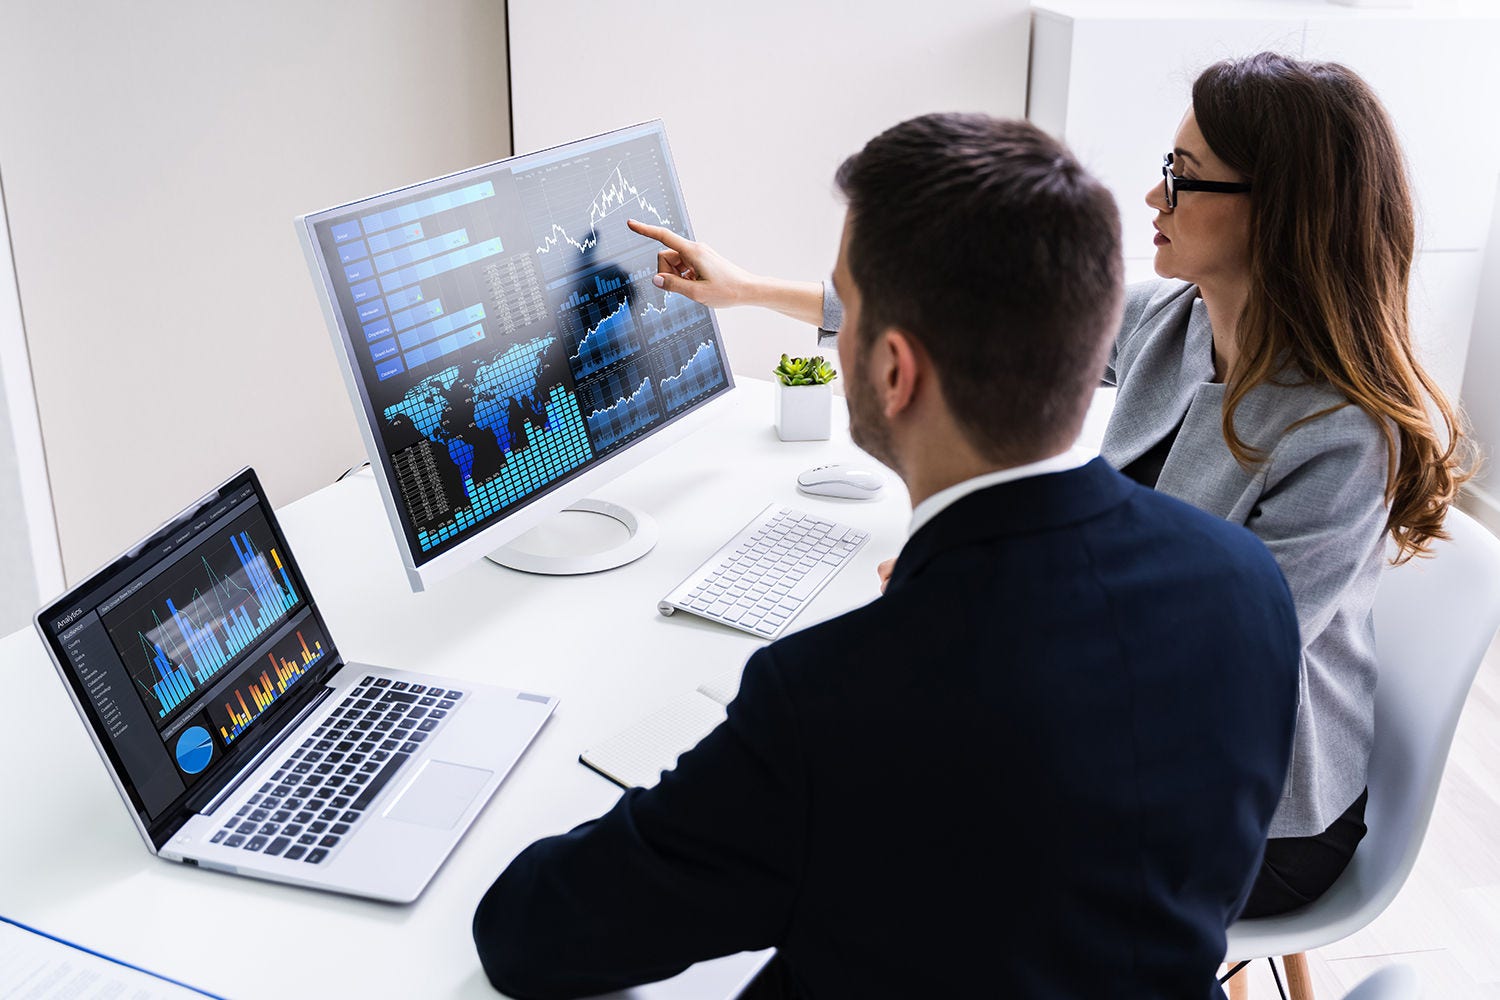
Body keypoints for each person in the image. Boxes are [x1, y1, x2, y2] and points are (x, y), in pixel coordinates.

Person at [472, 113, 1302, 999]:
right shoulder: (1246, 585)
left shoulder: (832, 702)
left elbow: (531, 934)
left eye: (847, 307)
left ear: (895, 372)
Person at [630, 51, 1472, 919]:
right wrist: (745, 291)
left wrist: (994, 602)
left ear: (1282, 212)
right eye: (1166, 167)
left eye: (1183, 178)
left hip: (1248, 810)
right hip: (1124, 728)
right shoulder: (1172, 321)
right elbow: (970, 317)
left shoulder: (1342, 434)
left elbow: (1217, 661)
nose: (1154, 197)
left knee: (904, 828)